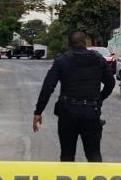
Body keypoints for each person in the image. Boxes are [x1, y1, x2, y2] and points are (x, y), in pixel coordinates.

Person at [33, 31, 116, 162]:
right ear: (85, 43)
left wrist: (38, 112)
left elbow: (48, 88)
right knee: (94, 155)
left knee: (67, 155)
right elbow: (110, 83)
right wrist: (99, 99)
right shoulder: (98, 59)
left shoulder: (62, 60)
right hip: (91, 112)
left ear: (69, 44)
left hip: (68, 113)